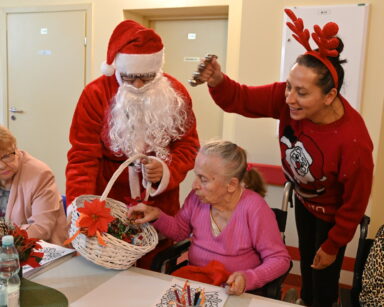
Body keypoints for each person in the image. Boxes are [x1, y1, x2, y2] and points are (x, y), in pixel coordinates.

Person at [193, 9, 374, 307]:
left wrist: (333, 244)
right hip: (305, 200)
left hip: (335, 212)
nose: (289, 98)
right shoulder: (285, 98)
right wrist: (218, 80)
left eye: (301, 92)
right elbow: (240, 97)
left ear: (329, 96)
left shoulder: (353, 140)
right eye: (289, 86)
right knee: (307, 266)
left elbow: (355, 202)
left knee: (325, 274)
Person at [66, 20, 199, 267]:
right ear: (117, 68)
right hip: (109, 198)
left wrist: (166, 170)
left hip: (161, 204)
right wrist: (80, 207)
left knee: (154, 270)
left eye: (146, 77)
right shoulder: (95, 94)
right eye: (130, 78)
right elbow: (82, 157)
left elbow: (189, 146)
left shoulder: (176, 93)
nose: (138, 85)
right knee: (106, 271)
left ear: (157, 69)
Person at [128, 140, 291, 295]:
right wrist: (156, 215)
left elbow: (279, 259)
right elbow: (179, 231)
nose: (194, 185)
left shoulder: (255, 209)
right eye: (196, 176)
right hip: (197, 283)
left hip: (236, 292)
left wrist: (248, 278)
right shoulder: (196, 198)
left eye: (203, 179)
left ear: (232, 185)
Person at [0, 125, 67, 245]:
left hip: (39, 250)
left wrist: (3, 236)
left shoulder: (40, 174)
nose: (2, 165)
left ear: (14, 148)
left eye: (6, 156)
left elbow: (41, 229)